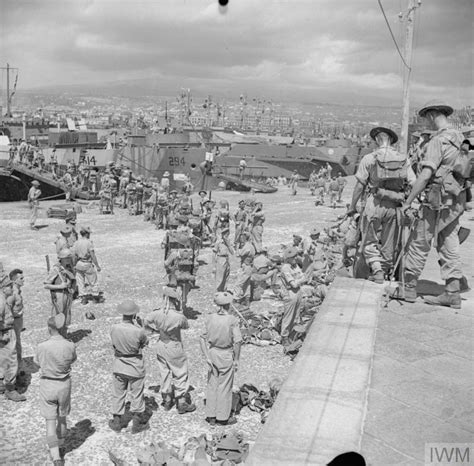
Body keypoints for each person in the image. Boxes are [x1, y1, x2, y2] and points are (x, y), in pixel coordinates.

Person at [390, 101, 468, 308]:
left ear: (432, 115)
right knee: (449, 242)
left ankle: (408, 288)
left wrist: (408, 201)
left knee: (419, 242)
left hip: (437, 200)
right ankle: (452, 292)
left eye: (425, 118)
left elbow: (425, 175)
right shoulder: (460, 138)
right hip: (456, 198)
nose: (425, 122)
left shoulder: (438, 141)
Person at [348, 127, 415, 283]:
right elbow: (413, 182)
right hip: (395, 204)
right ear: (391, 140)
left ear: (377, 140)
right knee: (389, 241)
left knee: (369, 239)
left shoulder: (369, 158)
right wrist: (408, 202)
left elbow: (359, 186)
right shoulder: (403, 159)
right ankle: (385, 271)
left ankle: (377, 271)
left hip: (374, 203)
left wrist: (352, 206)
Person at [143, 287, 196, 414]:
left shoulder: (156, 313)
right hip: (174, 345)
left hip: (161, 343)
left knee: (164, 372)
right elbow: (185, 326)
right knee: (180, 372)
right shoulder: (178, 316)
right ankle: (181, 402)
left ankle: (167, 400)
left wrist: (154, 331)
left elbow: (145, 322)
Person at [34, 314, 77, 466]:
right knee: (63, 418)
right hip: (64, 384)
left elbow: (37, 362)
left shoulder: (42, 346)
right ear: (63, 328)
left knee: (50, 423)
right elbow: (73, 359)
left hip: (48, 384)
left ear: (49, 329)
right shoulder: (70, 345)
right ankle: (62, 444)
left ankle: (56, 456)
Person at [200, 291, 242, 426]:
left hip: (212, 353)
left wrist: (206, 356)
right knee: (224, 386)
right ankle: (222, 417)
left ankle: (211, 416)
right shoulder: (232, 320)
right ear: (229, 305)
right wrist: (236, 359)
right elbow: (238, 341)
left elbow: (202, 338)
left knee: (212, 385)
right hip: (225, 354)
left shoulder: (210, 318)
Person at [109, 300, 149, 434]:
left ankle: (116, 421)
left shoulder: (114, 328)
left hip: (119, 364)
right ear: (134, 315)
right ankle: (137, 424)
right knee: (137, 394)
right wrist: (141, 326)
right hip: (135, 365)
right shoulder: (138, 331)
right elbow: (144, 343)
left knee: (118, 393)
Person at [0, 275, 26, 401]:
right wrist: (2, 335)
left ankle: (2, 384)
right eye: (10, 286)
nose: (12, 289)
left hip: (5, 331)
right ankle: (10, 389)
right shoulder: (1, 301)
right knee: (11, 361)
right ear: (4, 289)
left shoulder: (3, 298)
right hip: (6, 332)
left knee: (3, 360)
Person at [277, 246, 307, 347]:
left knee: (296, 314)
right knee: (289, 315)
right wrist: (301, 280)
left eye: (296, 256)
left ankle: (293, 334)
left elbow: (303, 277)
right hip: (289, 293)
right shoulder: (286, 268)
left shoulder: (295, 266)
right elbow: (294, 283)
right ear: (288, 259)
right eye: (293, 257)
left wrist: (299, 280)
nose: (295, 258)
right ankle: (284, 336)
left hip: (297, 292)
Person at [44, 249, 77, 336]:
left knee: (66, 317)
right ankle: (56, 337)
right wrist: (60, 286)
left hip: (67, 294)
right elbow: (46, 285)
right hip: (59, 295)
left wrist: (72, 290)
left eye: (69, 258)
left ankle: (64, 336)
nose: (69, 260)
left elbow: (74, 280)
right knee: (58, 316)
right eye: (66, 258)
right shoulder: (55, 269)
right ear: (61, 259)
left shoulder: (69, 268)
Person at [73, 226, 103, 304]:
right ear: (86, 234)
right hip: (87, 263)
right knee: (93, 281)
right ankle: (96, 297)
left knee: (80, 282)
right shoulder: (89, 243)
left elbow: (75, 255)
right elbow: (92, 255)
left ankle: (83, 298)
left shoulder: (76, 242)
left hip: (79, 263)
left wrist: (74, 265)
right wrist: (97, 266)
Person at [9, 269, 25, 375]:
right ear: (14, 281)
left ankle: (18, 367)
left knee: (18, 344)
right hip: (14, 321)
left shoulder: (18, 290)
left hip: (18, 320)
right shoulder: (13, 293)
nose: (24, 280)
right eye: (21, 278)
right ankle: (16, 371)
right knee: (15, 345)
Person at [213, 227, 234, 292]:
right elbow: (214, 253)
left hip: (226, 259)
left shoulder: (228, 242)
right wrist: (214, 265)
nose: (226, 235)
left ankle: (224, 291)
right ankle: (218, 291)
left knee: (226, 277)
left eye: (228, 234)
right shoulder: (218, 242)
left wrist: (228, 245)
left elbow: (232, 252)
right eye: (225, 234)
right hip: (220, 259)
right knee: (220, 277)